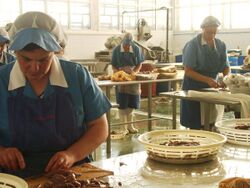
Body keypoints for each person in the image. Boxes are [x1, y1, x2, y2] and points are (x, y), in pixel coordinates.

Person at [0, 11, 111, 178]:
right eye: (26, 59)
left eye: (44, 59)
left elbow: (99, 127)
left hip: (73, 172)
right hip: (13, 178)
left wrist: (72, 155)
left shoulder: (77, 76)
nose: (35, 68)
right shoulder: (1, 79)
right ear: (14, 52)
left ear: (55, 52)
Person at [180, 16, 230, 130]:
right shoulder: (193, 45)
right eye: (209, 32)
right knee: (196, 123)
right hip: (194, 88)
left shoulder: (221, 45)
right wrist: (207, 80)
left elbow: (226, 66)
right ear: (202, 29)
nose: (211, 36)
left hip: (212, 88)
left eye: (214, 33)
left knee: (212, 121)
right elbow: (188, 71)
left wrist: (226, 79)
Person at [111, 32, 144, 134]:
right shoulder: (117, 50)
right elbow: (113, 65)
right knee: (122, 102)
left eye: (128, 45)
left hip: (133, 79)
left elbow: (139, 64)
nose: (127, 47)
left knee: (132, 102)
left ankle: (130, 126)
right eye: (125, 45)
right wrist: (118, 73)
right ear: (122, 42)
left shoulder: (136, 49)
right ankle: (123, 127)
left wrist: (135, 72)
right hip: (121, 80)